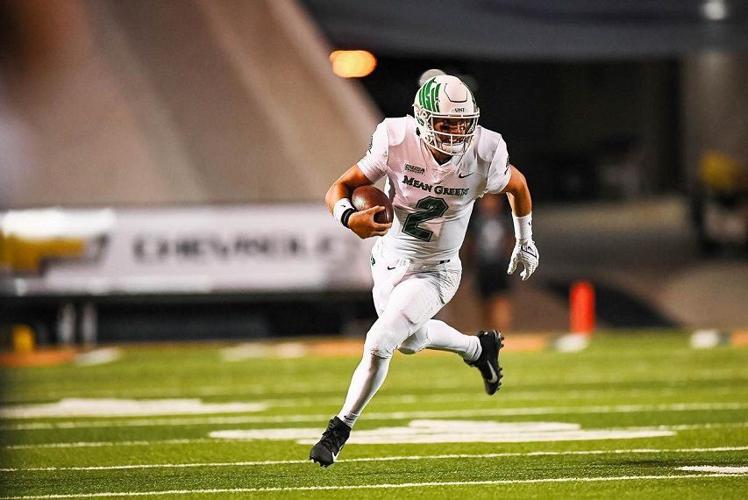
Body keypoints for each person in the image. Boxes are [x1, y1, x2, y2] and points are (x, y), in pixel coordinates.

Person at [310, 74, 539, 467]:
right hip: (388, 260)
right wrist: (350, 218)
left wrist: (525, 240)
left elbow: (517, 185)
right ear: (421, 118)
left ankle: (339, 428)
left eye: (462, 124)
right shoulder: (396, 138)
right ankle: (478, 348)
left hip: (438, 269)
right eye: (445, 123)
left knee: (381, 341)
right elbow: (340, 187)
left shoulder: (485, 150)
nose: (454, 133)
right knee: (410, 341)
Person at [465, 193, 515, 332]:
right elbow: (471, 244)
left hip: (499, 266)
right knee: (483, 302)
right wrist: (470, 265)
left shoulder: (505, 221)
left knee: (500, 300)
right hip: (482, 267)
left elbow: (510, 242)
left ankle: (502, 332)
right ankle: (486, 333)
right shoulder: (475, 222)